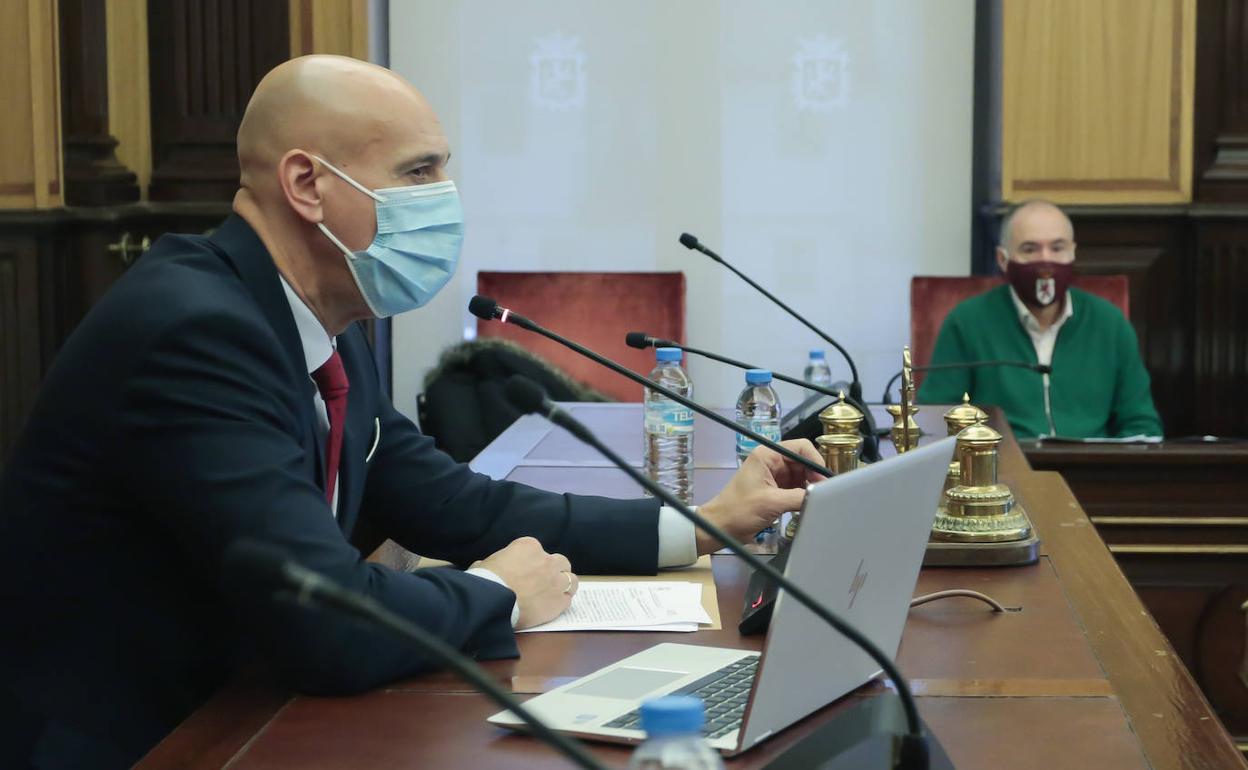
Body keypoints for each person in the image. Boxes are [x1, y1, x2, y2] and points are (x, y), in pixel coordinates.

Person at [0, 56, 824, 769]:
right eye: (419, 173)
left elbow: (451, 502)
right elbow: (323, 620)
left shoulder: (325, 317)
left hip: (250, 709)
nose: (445, 200)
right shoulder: (195, 331)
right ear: (307, 184)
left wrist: (701, 523)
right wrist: (492, 592)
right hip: (146, 741)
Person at [917, 199, 1163, 439]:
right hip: (1002, 470)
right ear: (1003, 259)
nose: (1046, 261)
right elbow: (937, 418)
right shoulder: (967, 322)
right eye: (1030, 249)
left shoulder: (1110, 323)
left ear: (1072, 253)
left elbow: (1141, 422)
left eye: (1057, 248)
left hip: (1091, 472)